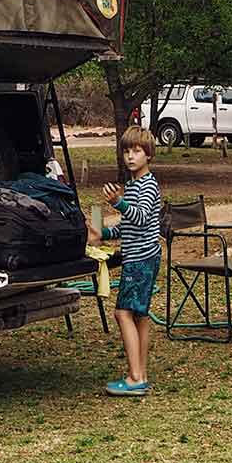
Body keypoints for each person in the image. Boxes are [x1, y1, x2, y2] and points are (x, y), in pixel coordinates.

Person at [89, 125, 162, 396]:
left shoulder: (147, 186)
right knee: (140, 316)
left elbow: (141, 216)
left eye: (137, 151)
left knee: (123, 313)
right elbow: (129, 225)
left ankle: (134, 379)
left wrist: (118, 202)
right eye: (127, 151)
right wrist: (103, 233)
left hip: (141, 259)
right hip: (143, 255)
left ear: (149, 155)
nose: (131, 156)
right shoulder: (134, 185)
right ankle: (140, 373)